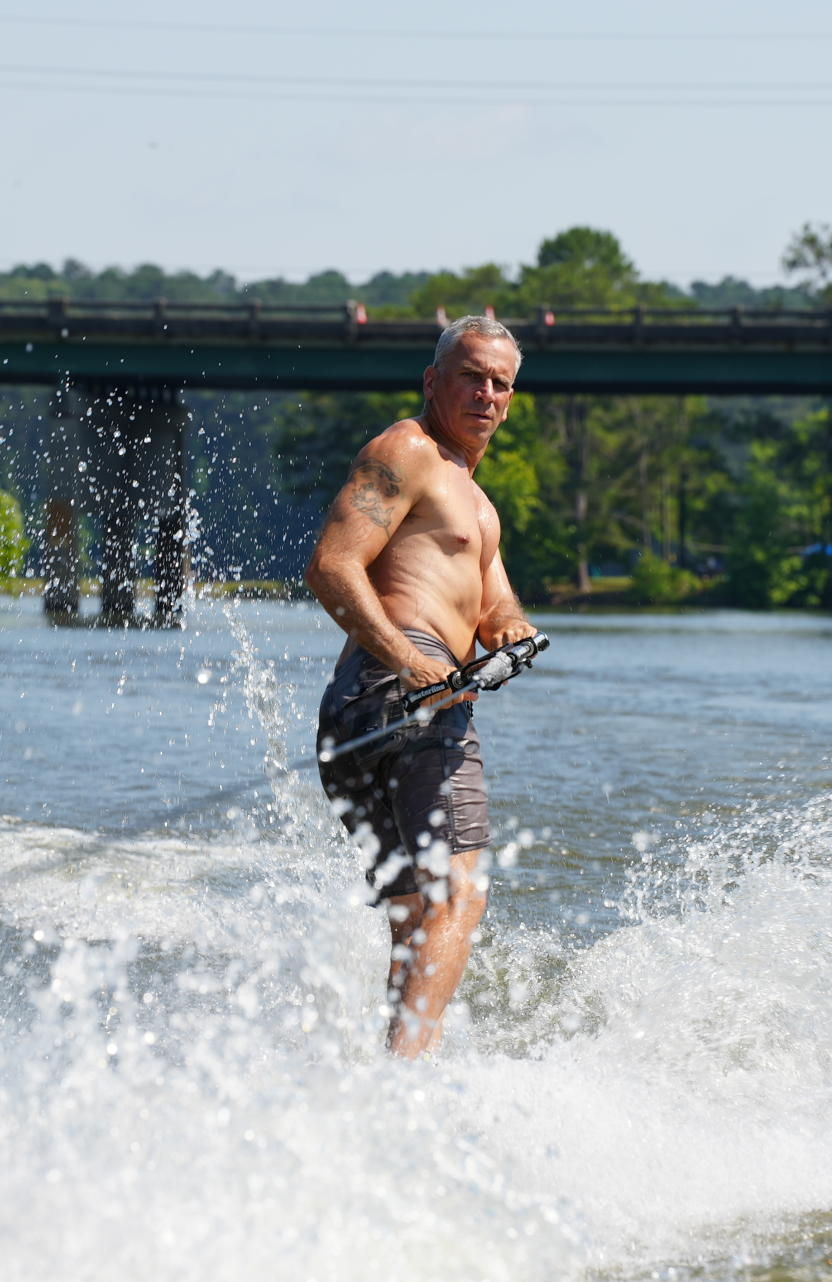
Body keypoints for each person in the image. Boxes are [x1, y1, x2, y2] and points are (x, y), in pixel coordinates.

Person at [304, 315, 538, 1060]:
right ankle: (404, 1086)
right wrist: (410, 661)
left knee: (415, 916)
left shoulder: (475, 503)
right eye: (471, 375)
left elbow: (498, 607)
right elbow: (333, 565)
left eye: (501, 383)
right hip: (398, 695)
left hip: (363, 718)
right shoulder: (406, 450)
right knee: (460, 895)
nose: (488, 392)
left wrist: (513, 634)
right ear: (432, 380)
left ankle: (385, 1071)